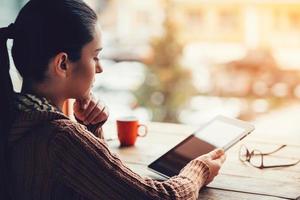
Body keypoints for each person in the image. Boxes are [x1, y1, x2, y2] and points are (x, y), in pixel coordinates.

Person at [0, 0, 226, 199]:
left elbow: (93, 184)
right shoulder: (61, 137)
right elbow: (162, 198)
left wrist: (91, 130)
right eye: (95, 56)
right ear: (63, 64)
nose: (99, 68)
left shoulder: (15, 114)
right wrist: (199, 170)